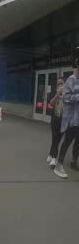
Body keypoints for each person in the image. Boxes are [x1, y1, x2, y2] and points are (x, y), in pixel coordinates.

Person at [54, 48, 79, 179]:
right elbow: (65, 97)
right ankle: (59, 164)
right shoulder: (71, 79)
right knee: (68, 141)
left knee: (78, 142)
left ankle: (74, 161)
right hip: (72, 118)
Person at [47, 77, 65, 169]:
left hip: (64, 121)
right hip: (55, 121)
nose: (60, 85)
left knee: (58, 139)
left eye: (62, 83)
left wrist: (63, 96)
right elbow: (51, 103)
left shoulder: (67, 95)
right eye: (58, 84)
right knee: (55, 138)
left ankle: (51, 154)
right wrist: (57, 95)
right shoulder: (54, 94)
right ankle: (54, 158)